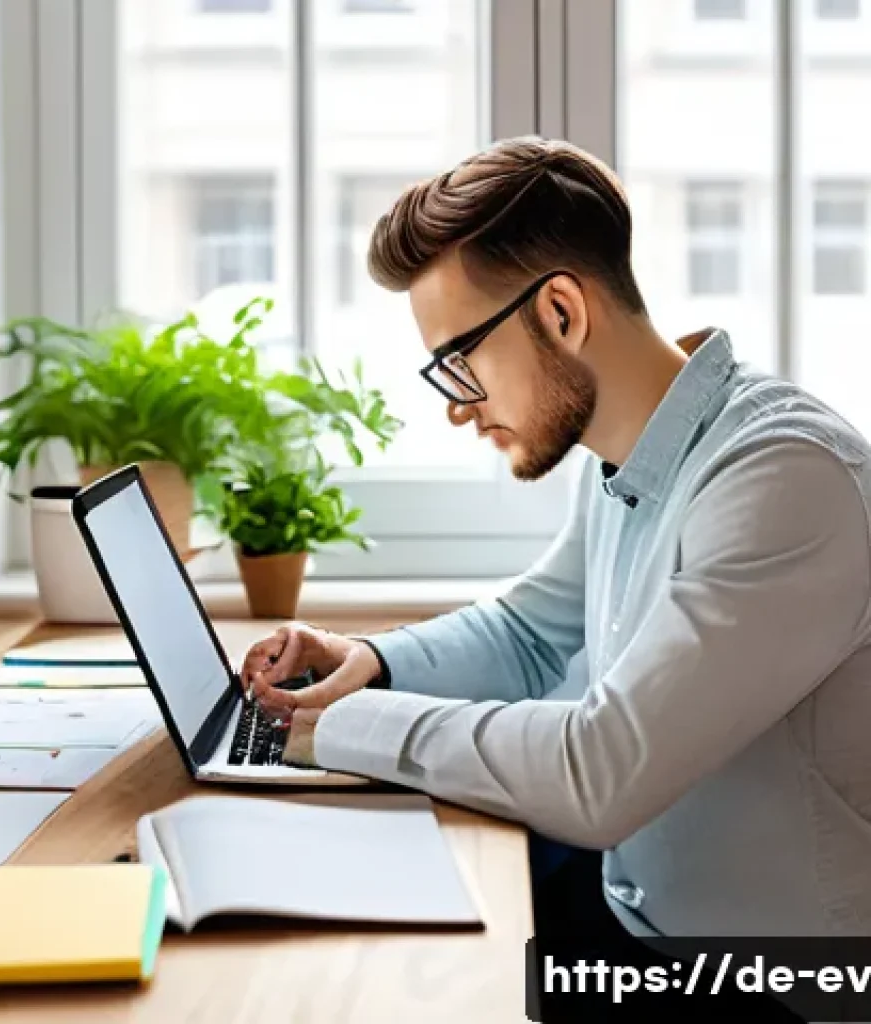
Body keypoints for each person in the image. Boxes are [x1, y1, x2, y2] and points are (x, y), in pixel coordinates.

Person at [239, 137, 871, 1020]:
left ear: (563, 312)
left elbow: (598, 773)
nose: (458, 406)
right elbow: (528, 633)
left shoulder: (781, 478)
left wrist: (338, 726)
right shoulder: (628, 451)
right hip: (637, 914)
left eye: (459, 360)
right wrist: (368, 664)